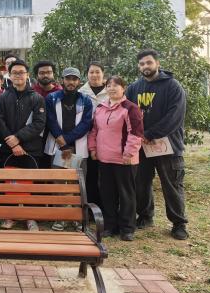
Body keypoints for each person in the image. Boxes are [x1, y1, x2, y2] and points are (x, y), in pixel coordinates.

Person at [126, 49, 188, 240]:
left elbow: (175, 116)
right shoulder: (134, 88)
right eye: (142, 64)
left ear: (157, 63)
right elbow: (128, 114)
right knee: (141, 183)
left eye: (149, 62)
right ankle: (145, 216)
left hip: (167, 146)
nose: (145, 66)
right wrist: (139, 136)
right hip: (142, 146)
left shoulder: (172, 86)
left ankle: (179, 224)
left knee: (172, 185)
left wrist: (150, 134)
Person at [88, 76, 143, 241]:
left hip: (124, 160)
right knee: (107, 194)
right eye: (109, 85)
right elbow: (94, 130)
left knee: (126, 194)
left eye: (116, 85)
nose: (112, 88)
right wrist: (93, 148)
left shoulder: (130, 108)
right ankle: (110, 226)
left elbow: (136, 133)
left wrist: (128, 153)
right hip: (104, 158)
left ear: (123, 88)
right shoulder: (100, 108)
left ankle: (127, 228)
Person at [0, 59, 46, 231]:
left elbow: (39, 123)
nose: (18, 75)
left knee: (29, 185)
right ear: (9, 75)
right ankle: (10, 216)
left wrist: (18, 138)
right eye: (14, 73)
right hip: (8, 149)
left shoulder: (37, 98)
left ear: (27, 75)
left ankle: (31, 218)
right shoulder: (2, 98)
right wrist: (13, 143)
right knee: (10, 184)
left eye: (21, 72)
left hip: (30, 149)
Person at [44, 67, 93, 232]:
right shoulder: (52, 98)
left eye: (74, 79)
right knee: (58, 184)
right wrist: (61, 141)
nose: (71, 82)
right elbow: (50, 120)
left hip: (78, 148)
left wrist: (67, 140)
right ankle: (60, 218)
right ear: (62, 80)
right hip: (58, 148)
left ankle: (77, 218)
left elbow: (86, 124)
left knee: (78, 184)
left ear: (79, 81)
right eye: (68, 78)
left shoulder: (85, 100)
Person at [79, 61, 108, 209]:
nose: (94, 75)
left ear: (103, 74)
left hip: (107, 140)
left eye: (97, 72)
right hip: (86, 138)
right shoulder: (81, 92)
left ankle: (106, 208)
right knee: (90, 174)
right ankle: (90, 207)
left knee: (106, 175)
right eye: (91, 72)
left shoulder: (111, 90)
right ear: (87, 74)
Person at [32, 60, 63, 169]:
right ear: (37, 75)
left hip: (56, 136)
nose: (45, 75)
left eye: (49, 72)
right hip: (34, 137)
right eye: (42, 73)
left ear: (53, 74)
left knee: (55, 169)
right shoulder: (31, 92)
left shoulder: (60, 92)